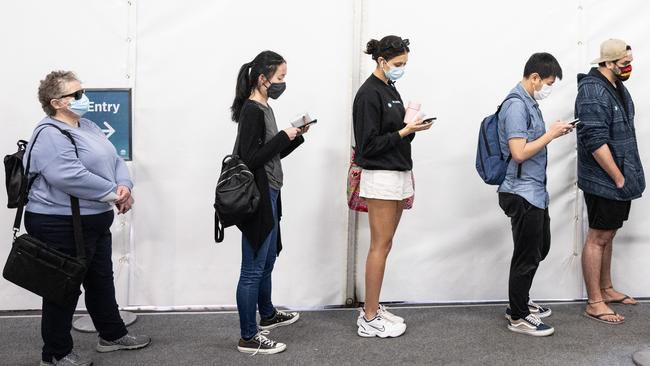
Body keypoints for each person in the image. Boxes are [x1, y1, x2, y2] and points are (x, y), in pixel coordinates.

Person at [26, 71, 150, 366]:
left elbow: (115, 159)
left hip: (93, 220)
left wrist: (125, 186)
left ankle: (111, 335)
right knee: (63, 289)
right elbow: (70, 176)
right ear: (57, 103)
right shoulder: (49, 133)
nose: (85, 98)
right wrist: (115, 194)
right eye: (77, 94)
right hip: (59, 223)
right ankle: (55, 354)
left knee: (101, 281)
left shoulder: (88, 125)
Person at [229, 50, 309, 354]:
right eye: (280, 78)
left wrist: (295, 136)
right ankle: (248, 336)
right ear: (263, 79)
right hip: (258, 197)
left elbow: (269, 156)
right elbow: (249, 160)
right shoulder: (252, 111)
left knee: (268, 259)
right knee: (252, 268)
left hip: (271, 192)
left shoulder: (264, 108)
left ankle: (269, 314)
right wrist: (283, 136)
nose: (282, 83)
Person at [353, 35, 432, 338]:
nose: (402, 69)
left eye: (405, 64)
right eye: (398, 64)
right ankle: (369, 316)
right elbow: (367, 145)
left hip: (398, 172)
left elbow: (395, 132)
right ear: (382, 61)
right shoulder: (368, 94)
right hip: (381, 176)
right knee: (379, 245)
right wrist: (403, 132)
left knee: (386, 244)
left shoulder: (391, 89)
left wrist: (412, 130)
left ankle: (373, 306)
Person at [497, 53, 574, 336]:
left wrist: (554, 132)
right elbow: (518, 153)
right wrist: (551, 134)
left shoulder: (528, 102)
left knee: (539, 249)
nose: (549, 88)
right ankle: (517, 316)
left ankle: (520, 301)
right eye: (549, 83)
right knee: (526, 256)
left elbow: (531, 144)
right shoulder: (516, 105)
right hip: (521, 193)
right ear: (534, 78)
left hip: (534, 192)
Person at [575, 39, 645, 324]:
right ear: (606, 62)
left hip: (619, 178)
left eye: (629, 61)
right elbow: (594, 139)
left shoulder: (616, 85)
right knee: (598, 237)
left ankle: (606, 289)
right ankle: (595, 302)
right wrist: (617, 176)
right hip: (604, 180)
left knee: (609, 234)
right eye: (623, 63)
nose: (628, 67)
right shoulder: (592, 91)